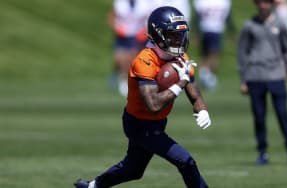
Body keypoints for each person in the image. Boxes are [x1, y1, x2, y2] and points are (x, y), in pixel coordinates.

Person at [74, 6, 212, 188]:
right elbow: (153, 105)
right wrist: (180, 83)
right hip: (139, 124)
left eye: (180, 35)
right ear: (158, 34)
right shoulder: (144, 61)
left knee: (133, 170)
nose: (178, 41)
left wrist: (202, 110)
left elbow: (195, 92)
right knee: (185, 161)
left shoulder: (180, 58)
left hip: (157, 122)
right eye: (173, 36)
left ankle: (93, 186)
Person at [237, 0, 287, 165]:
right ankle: (262, 152)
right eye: (260, 2)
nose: (263, 5)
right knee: (259, 117)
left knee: (282, 114)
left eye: (266, 2)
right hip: (255, 76)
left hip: (276, 75)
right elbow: (242, 52)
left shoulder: (280, 24)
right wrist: (243, 79)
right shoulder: (249, 25)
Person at [107, 0, 150, 97]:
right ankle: (122, 80)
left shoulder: (144, 3)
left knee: (132, 59)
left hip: (136, 35)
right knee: (120, 58)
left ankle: (130, 81)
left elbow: (148, 19)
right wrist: (117, 28)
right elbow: (111, 17)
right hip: (122, 35)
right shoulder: (120, 3)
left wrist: (144, 31)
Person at [193, 0, 232, 91]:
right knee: (213, 54)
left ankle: (205, 75)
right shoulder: (223, 2)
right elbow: (228, 16)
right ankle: (208, 77)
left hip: (205, 28)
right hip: (216, 29)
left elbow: (197, 16)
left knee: (205, 55)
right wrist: (231, 30)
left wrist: (195, 31)